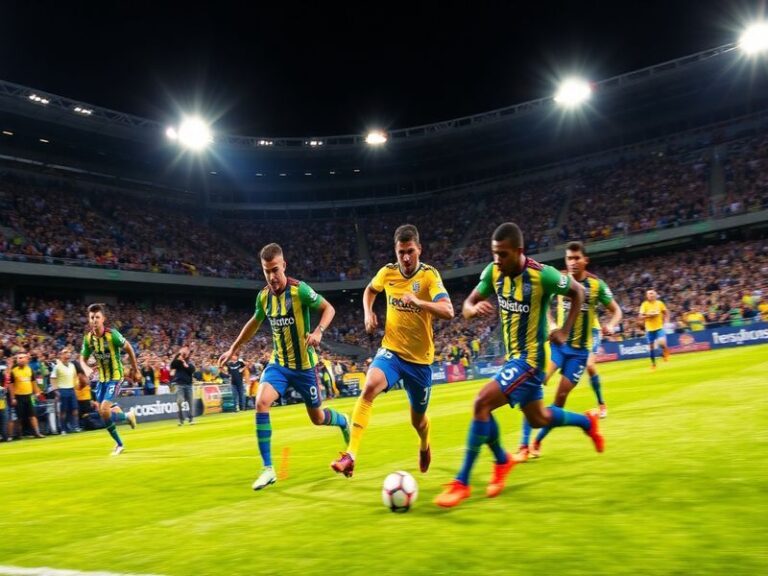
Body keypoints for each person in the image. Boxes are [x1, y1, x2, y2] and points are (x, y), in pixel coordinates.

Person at [434, 223, 604, 508]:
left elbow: (578, 292)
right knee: (539, 419)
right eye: (494, 253)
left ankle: (463, 482)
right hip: (514, 359)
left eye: (503, 254)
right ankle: (587, 422)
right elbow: (466, 304)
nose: (497, 260)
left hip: (532, 361)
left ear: (519, 252)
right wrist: (472, 310)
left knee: (481, 404)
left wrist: (564, 330)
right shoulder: (493, 272)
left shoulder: (543, 275)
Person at [219, 243, 349, 491]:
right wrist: (234, 349)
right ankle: (268, 469)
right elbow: (254, 323)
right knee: (261, 402)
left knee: (318, 418)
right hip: (279, 364)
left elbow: (328, 308)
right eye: (266, 271)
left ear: (284, 266)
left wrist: (319, 331)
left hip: (304, 368)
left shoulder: (300, 291)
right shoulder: (264, 297)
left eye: (275, 270)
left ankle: (343, 421)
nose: (271, 276)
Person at [331, 224, 453, 478]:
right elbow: (369, 290)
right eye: (401, 253)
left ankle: (424, 445)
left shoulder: (429, 276)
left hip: (420, 363)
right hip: (392, 353)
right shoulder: (387, 273)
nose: (406, 258)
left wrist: (418, 301)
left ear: (419, 249)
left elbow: (448, 310)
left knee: (417, 421)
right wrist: (368, 312)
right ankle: (351, 455)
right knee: (368, 388)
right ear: (395, 252)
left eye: (410, 251)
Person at [515, 241, 622, 461]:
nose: (572, 263)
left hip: (580, 353)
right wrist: (552, 323)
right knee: (532, 386)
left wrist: (611, 325)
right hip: (558, 348)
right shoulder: (562, 281)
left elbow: (616, 311)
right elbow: (541, 303)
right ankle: (524, 445)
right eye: (569, 258)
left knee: (560, 399)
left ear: (585, 260)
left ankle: (538, 441)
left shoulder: (596, 286)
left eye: (576, 258)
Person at [79, 303, 139, 455]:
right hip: (102, 380)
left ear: (103, 319)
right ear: (89, 319)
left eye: (97, 317)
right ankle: (127, 416)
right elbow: (82, 358)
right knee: (103, 412)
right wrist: (86, 368)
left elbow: (129, 348)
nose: (94, 320)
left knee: (104, 409)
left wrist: (135, 369)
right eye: (92, 317)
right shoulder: (88, 339)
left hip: (116, 377)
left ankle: (120, 445)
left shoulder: (112, 335)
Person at [6, 352, 45, 438]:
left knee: (32, 415)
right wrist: (13, 398)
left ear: (27, 359)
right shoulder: (13, 371)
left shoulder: (29, 369)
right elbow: (10, 385)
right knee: (19, 417)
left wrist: (37, 393)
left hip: (29, 396)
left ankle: (37, 433)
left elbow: (33, 382)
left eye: (22, 358)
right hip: (18, 397)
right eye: (19, 358)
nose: (20, 359)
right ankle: (19, 435)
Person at [50, 347, 81, 434]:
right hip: (62, 390)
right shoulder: (57, 367)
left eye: (69, 353)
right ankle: (63, 429)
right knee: (63, 411)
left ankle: (76, 426)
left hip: (71, 389)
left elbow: (75, 377)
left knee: (75, 409)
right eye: (65, 353)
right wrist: (56, 390)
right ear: (61, 355)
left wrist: (76, 385)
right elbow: (52, 379)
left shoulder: (72, 366)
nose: (68, 354)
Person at [639, 289, 670, 369]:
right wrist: (649, 315)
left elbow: (666, 312)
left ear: (655, 295)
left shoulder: (660, 303)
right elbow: (640, 316)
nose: (651, 295)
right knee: (651, 348)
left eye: (652, 293)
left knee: (661, 342)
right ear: (647, 296)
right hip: (649, 329)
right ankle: (653, 364)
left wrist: (666, 322)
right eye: (649, 294)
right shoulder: (644, 304)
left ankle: (665, 351)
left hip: (659, 327)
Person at [172, 346, 196, 425]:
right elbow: (172, 365)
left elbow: (192, 370)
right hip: (179, 385)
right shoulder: (178, 362)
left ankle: (191, 418)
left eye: (186, 351)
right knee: (179, 401)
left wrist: (185, 364)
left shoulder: (190, 364)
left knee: (191, 402)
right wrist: (179, 355)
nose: (185, 353)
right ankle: (181, 419)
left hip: (188, 385)